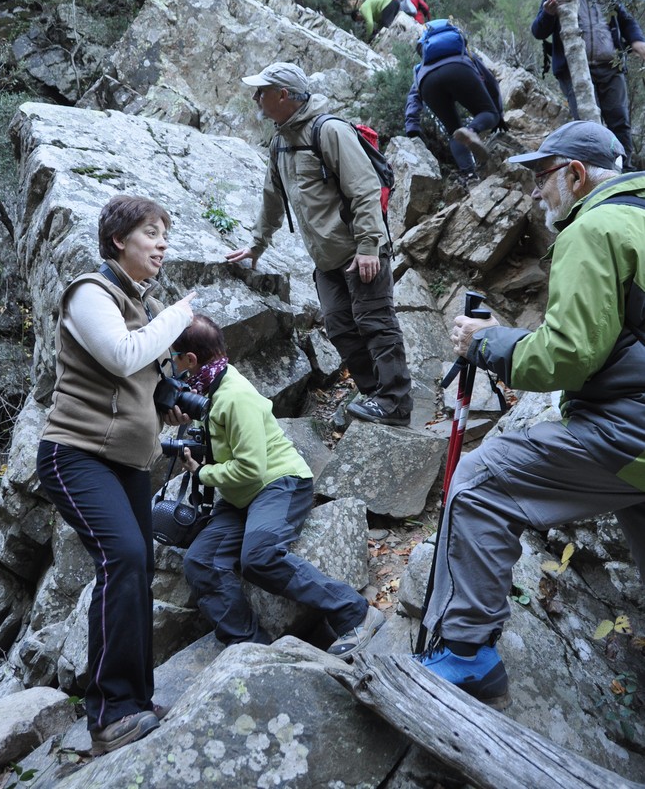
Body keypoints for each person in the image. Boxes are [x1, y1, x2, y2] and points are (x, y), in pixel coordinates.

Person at [415, 121, 645, 708]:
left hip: (630, 431)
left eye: (543, 175)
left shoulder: (595, 229)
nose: (536, 191)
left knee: (480, 483)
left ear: (577, 174)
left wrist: (488, 342)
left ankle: (466, 653)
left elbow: (569, 356)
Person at [36, 195, 196, 755]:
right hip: (74, 454)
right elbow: (122, 356)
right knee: (123, 556)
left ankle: (135, 701)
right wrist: (180, 316)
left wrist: (166, 403)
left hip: (125, 461)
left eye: (164, 234)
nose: (161, 243)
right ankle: (108, 715)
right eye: (151, 232)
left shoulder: (141, 303)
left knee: (138, 566)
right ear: (118, 240)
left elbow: (136, 382)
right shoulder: (90, 293)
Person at [168, 313, 385, 656]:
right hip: (241, 498)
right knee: (201, 561)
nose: (173, 365)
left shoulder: (234, 396)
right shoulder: (210, 389)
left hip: (280, 484)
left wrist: (202, 473)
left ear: (191, 359)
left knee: (259, 557)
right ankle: (251, 649)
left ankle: (355, 613)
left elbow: (251, 468)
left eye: (175, 357)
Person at [226, 61, 412, 427]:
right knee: (340, 327)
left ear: (283, 95)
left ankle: (396, 403)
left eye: (262, 91)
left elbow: (365, 189)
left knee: (375, 323)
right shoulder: (280, 142)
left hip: (360, 250)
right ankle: (375, 395)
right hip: (327, 259)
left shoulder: (329, 131)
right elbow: (272, 197)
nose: (255, 97)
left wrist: (369, 246)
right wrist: (257, 244)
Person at [531, 0, 645, 167]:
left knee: (620, 122)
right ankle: (598, 174)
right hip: (575, 71)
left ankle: (625, 171)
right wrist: (548, 13)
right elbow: (538, 31)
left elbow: (626, 20)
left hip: (611, 67)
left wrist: (638, 41)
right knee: (588, 126)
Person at [404, 45, 505, 184]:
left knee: (454, 132)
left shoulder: (420, 69)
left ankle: (470, 176)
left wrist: (412, 126)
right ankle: (471, 131)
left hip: (428, 82)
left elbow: (413, 97)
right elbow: (491, 81)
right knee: (490, 113)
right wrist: (498, 112)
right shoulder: (464, 53)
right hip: (459, 69)